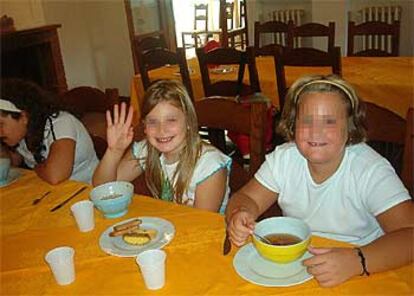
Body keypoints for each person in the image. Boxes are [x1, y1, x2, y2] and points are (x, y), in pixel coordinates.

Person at [225, 74, 413, 287]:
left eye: (329, 121)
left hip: (363, 269)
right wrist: (240, 213)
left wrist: (358, 260)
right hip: (299, 267)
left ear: (350, 128)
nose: (316, 131)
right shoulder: (284, 159)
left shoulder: (369, 170)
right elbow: (247, 197)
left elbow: (409, 235)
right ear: (292, 125)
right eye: (306, 120)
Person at [93, 80, 231, 213]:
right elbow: (102, 188)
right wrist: (114, 151)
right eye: (152, 122)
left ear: (189, 121)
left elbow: (201, 224)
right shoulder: (147, 149)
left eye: (171, 120)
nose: (161, 130)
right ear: (144, 127)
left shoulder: (209, 165)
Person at [0, 79, 99, 184]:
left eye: (0, 124)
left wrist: (37, 167)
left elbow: (56, 175)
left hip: (89, 190)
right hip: (57, 192)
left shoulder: (61, 123)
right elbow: (12, 162)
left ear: (24, 117)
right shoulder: (23, 133)